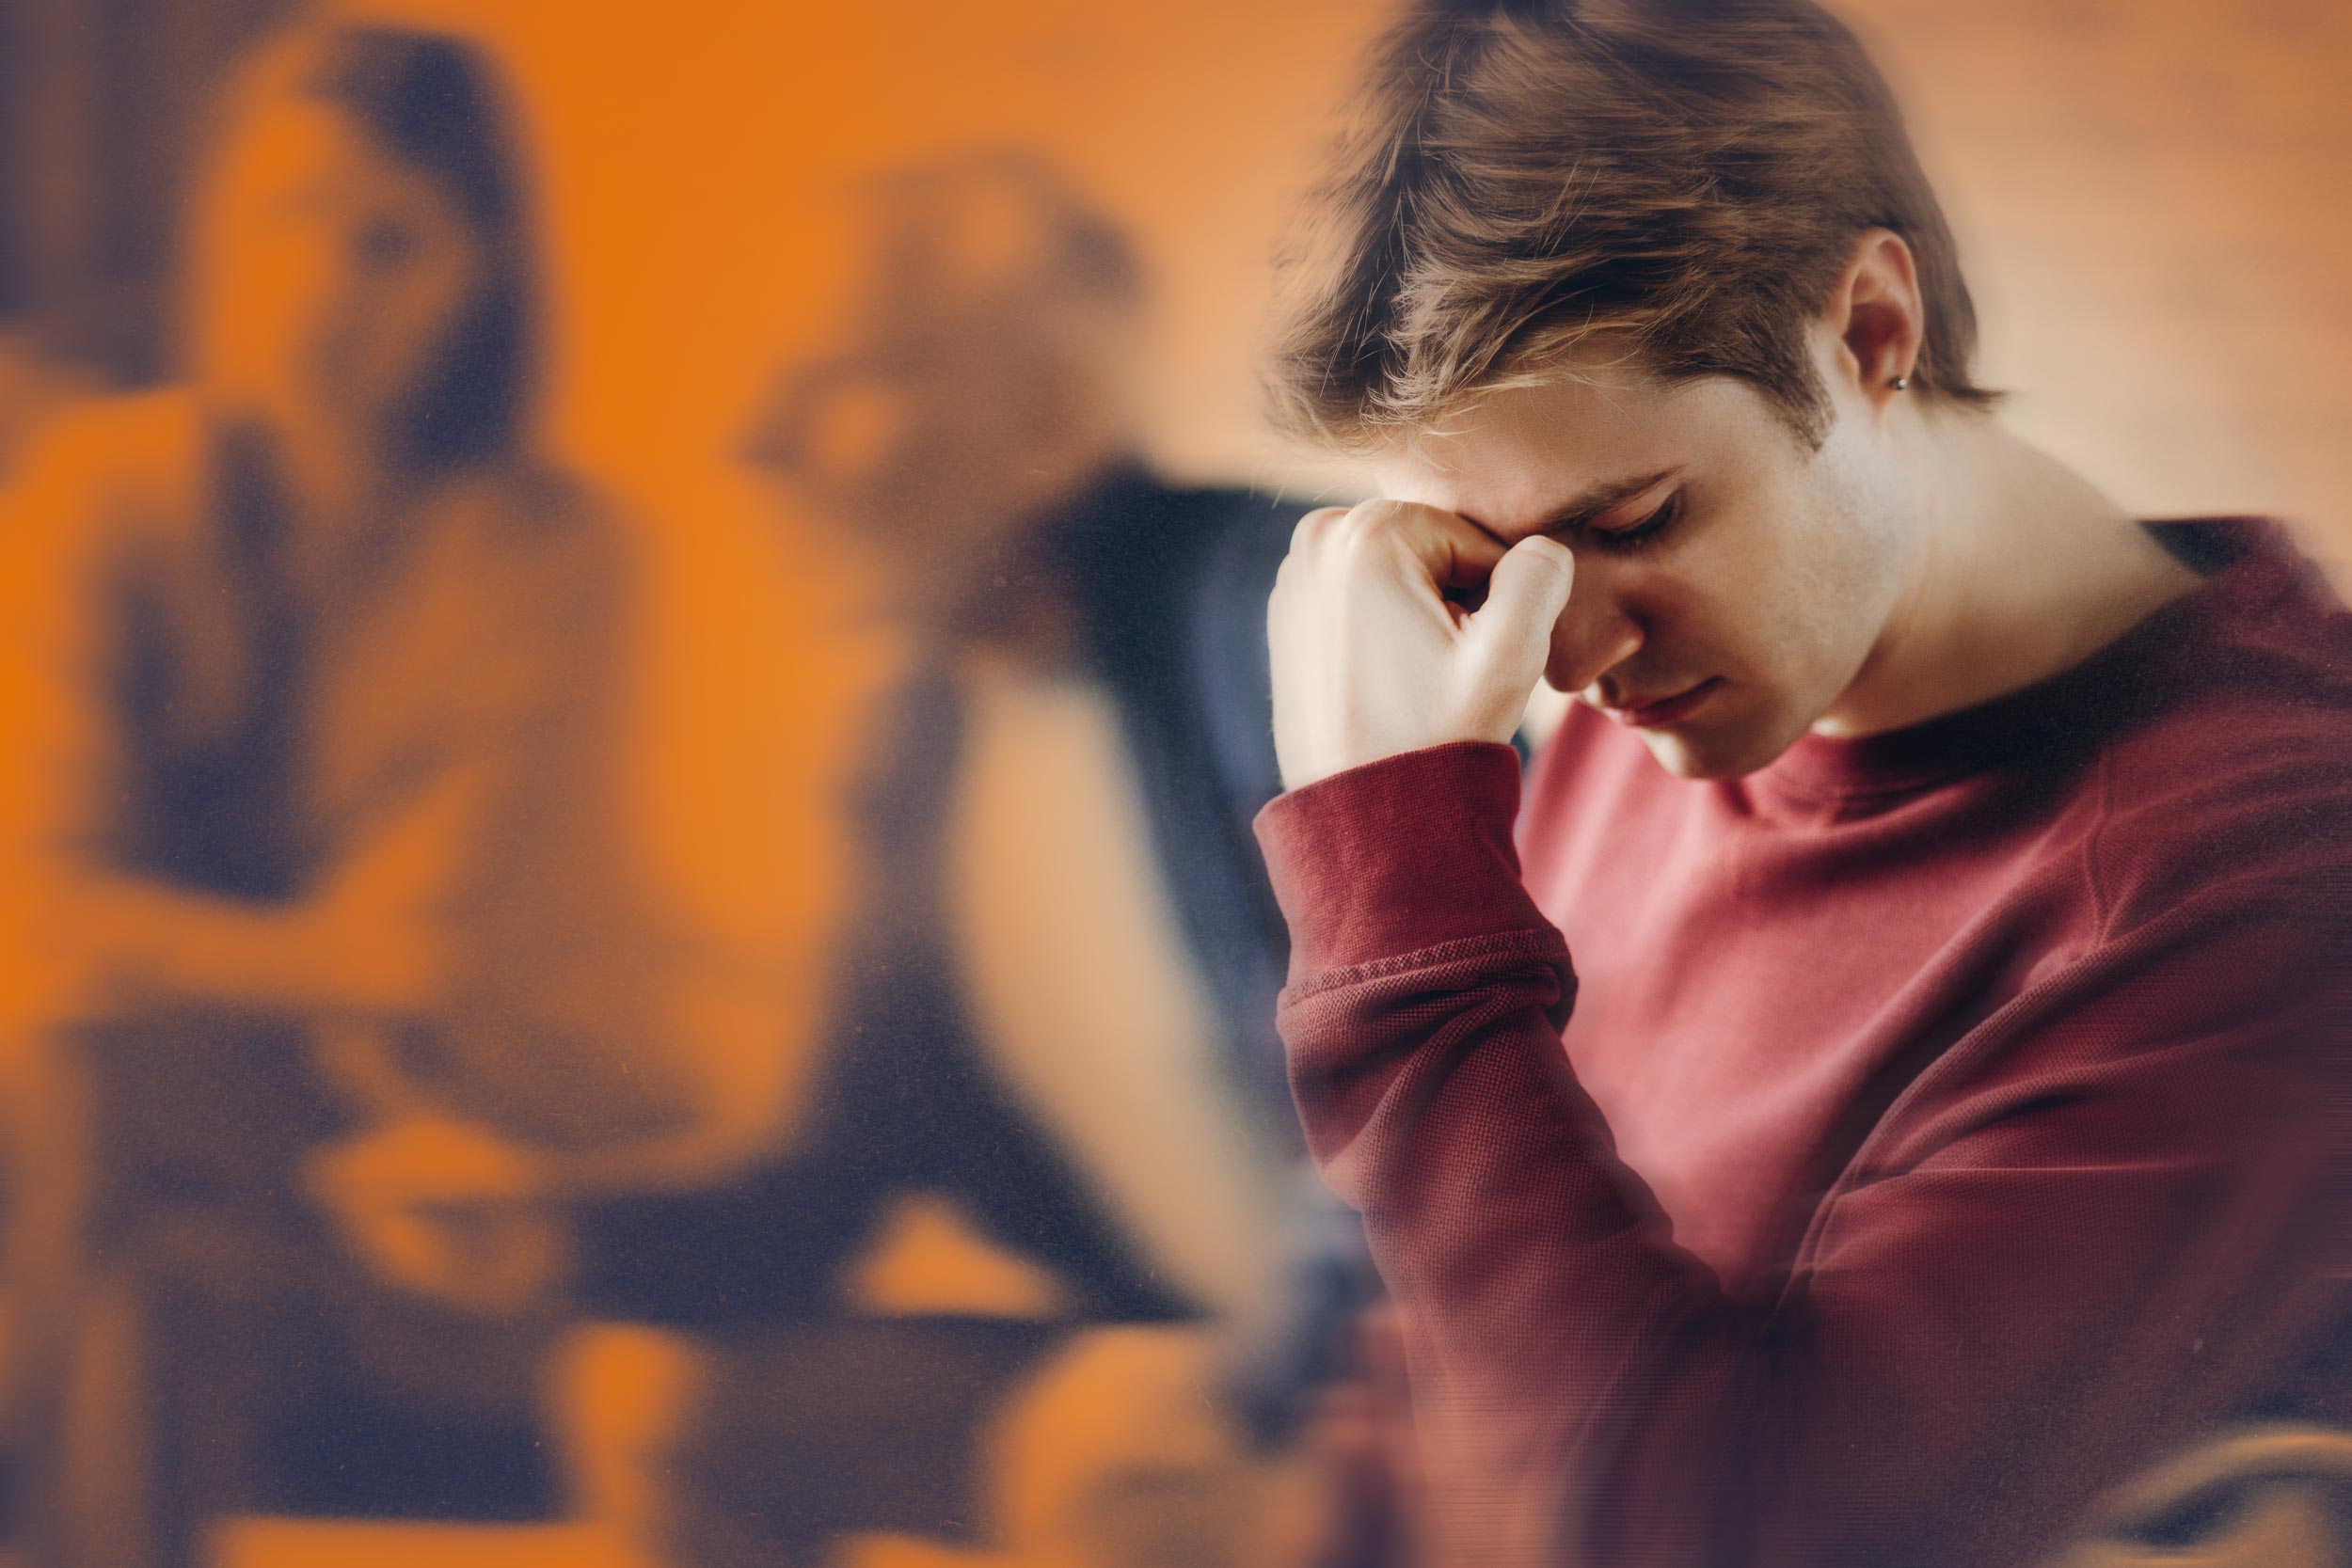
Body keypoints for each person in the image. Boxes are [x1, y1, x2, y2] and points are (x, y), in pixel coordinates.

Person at [1252, 2, 2352, 1565]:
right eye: (1497, 567)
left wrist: (1390, 903)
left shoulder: (2263, 873)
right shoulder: (1700, 689)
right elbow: (1480, 1311)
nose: (1564, 658)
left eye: (1634, 519)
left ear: (1869, 334)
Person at [0, 24, 741, 1567]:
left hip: (478, 1187)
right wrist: (277, 961)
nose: (321, 284)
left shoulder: (558, 553)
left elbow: (428, 965)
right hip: (211, 1195)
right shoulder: (104, 490)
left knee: (95, 1091)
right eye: (282, 217)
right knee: (131, 1231)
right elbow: (45, 898)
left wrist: (167, 947)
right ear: (216, 232)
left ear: (482, 275)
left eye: (385, 241)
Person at [553, 150, 1357, 1568]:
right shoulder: (914, 748)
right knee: (669, 1400)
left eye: (837, 379)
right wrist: (552, 1238)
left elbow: (1476, 1092)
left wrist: (1267, 1381)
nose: (754, 438)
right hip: (1162, 1364)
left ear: (1050, 418)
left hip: (1439, 1371)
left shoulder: (1282, 617)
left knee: (1097, 1460)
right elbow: (823, 1188)